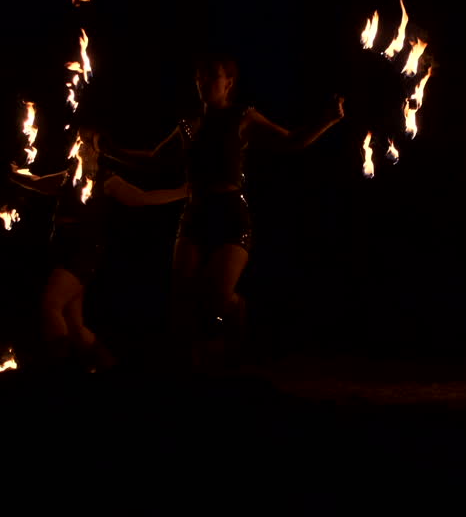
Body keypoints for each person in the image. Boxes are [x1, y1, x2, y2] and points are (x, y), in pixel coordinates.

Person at [108, 56, 344, 372]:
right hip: (195, 215)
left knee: (215, 299)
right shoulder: (188, 125)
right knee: (183, 300)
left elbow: (291, 141)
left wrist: (328, 119)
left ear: (228, 83)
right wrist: (108, 149)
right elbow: (153, 159)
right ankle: (194, 369)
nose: (204, 83)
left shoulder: (242, 118)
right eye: (200, 78)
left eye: (212, 77)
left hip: (231, 216)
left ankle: (237, 314)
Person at [10, 123, 188, 372]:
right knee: (75, 323)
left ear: (96, 150)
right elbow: (38, 182)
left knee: (50, 305)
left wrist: (182, 192)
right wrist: (14, 173)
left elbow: (142, 198)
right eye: (78, 141)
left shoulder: (105, 179)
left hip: (82, 251)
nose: (80, 145)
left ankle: (56, 373)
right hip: (65, 249)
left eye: (86, 142)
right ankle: (108, 367)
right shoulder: (68, 176)